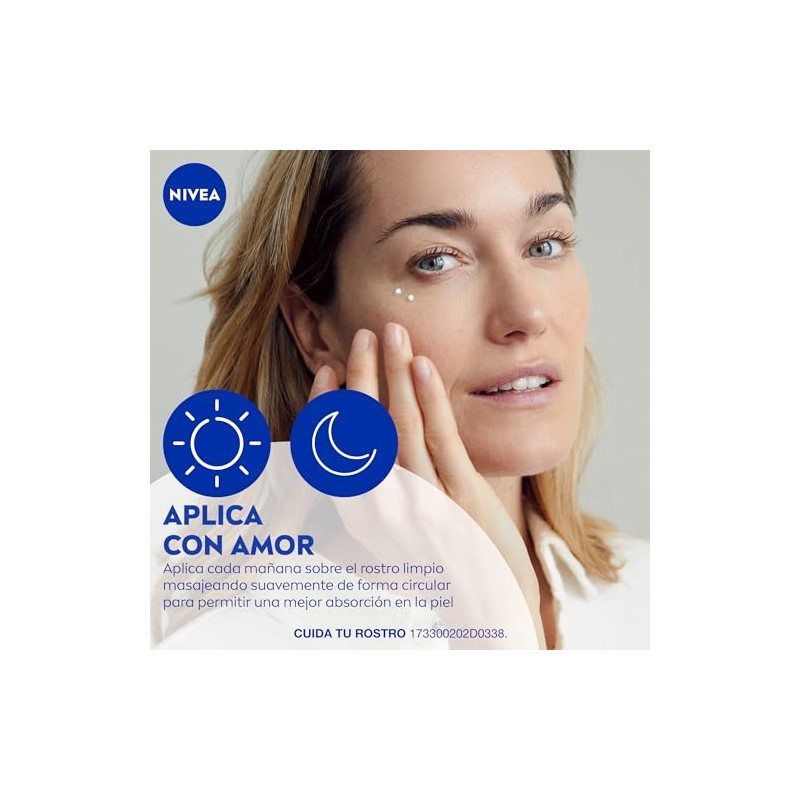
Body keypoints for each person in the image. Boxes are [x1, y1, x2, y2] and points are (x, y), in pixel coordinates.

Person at [195, 150, 649, 649]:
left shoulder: (649, 596)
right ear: (313, 329)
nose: (526, 314)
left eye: (544, 245)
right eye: (436, 261)